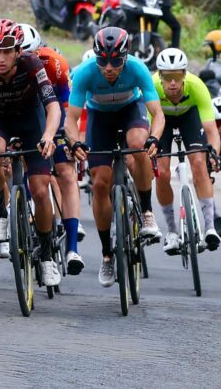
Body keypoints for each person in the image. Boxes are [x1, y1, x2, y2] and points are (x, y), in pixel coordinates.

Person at [0, 19, 63, 284]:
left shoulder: (32, 64)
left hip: (32, 120)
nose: (1, 58)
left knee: (40, 190)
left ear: (18, 51)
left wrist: (48, 136)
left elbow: (53, 106)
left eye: (7, 51)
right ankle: (1, 215)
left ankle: (46, 256)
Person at [65, 27, 165, 288]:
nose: (109, 68)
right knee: (99, 183)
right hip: (100, 119)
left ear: (126, 57)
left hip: (130, 111)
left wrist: (154, 137)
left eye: (116, 61)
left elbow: (158, 113)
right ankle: (107, 254)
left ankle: (147, 212)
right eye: (103, 61)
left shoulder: (138, 68)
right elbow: (71, 119)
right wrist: (75, 142)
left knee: (138, 144)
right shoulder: (85, 72)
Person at [18, 24, 85, 274]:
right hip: (24, 117)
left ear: (40, 51)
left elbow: (67, 108)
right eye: (20, 55)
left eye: (31, 54)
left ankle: (72, 248)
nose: (26, 60)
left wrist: (70, 140)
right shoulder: (1, 66)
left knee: (65, 173)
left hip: (55, 114)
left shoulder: (55, 63)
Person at [152, 48, 221, 254]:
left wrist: (214, 155)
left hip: (189, 116)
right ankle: (172, 231)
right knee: (161, 172)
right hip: (161, 119)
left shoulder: (197, 86)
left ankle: (210, 227)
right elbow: (148, 128)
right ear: (160, 76)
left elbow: (212, 131)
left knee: (199, 163)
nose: (173, 83)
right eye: (168, 77)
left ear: (184, 74)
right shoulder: (152, 87)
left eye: (177, 76)